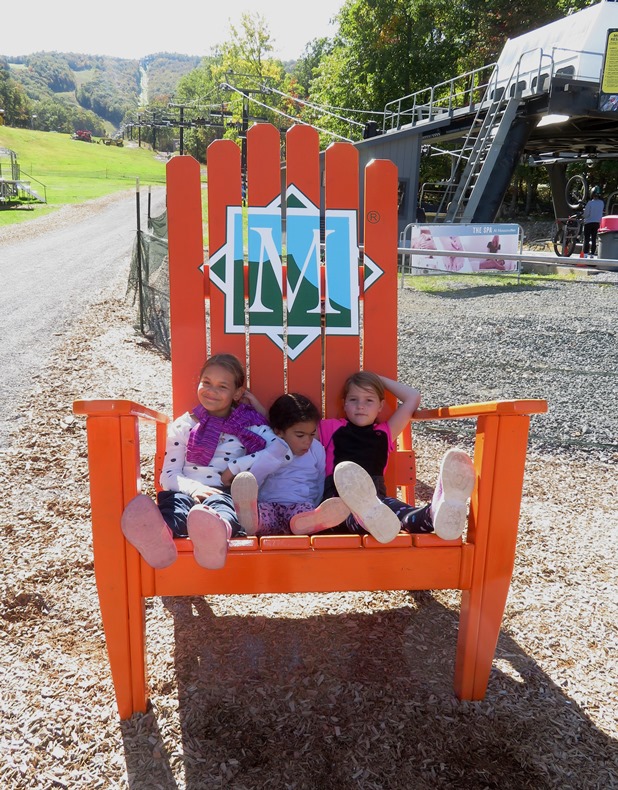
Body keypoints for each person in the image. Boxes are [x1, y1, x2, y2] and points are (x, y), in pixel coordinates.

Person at [120, 353, 276, 570]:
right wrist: (194, 489)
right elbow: (168, 475)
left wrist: (235, 467)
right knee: (175, 510)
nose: (212, 391)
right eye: (207, 383)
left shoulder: (248, 424)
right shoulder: (183, 426)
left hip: (223, 492)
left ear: (237, 393)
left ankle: (217, 535)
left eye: (222, 386)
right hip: (184, 491)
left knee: (224, 510)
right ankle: (159, 536)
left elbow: (281, 450)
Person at [289, 372, 475, 543]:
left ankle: (434, 514)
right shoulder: (330, 428)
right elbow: (296, 429)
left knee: (401, 515)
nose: (360, 405)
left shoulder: (385, 432)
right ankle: (338, 520)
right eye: (354, 400)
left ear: (381, 406)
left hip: (376, 501)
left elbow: (413, 397)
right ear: (344, 404)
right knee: (348, 515)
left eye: (369, 400)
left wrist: (376, 377)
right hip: (338, 501)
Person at [229, 393, 350, 537]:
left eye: (312, 434)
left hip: (300, 508)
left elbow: (319, 482)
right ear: (279, 432)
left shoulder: (316, 449)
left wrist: (315, 504)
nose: (307, 441)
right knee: (263, 515)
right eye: (300, 435)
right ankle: (252, 522)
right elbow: (256, 478)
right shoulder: (271, 449)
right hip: (270, 504)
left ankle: (313, 520)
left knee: (304, 512)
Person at [583, 186, 604, 257]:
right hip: (597, 223)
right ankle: (592, 253)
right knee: (594, 239)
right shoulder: (602, 203)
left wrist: (583, 215)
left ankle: (585, 254)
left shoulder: (590, 203)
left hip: (588, 223)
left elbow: (586, 214)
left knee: (587, 238)